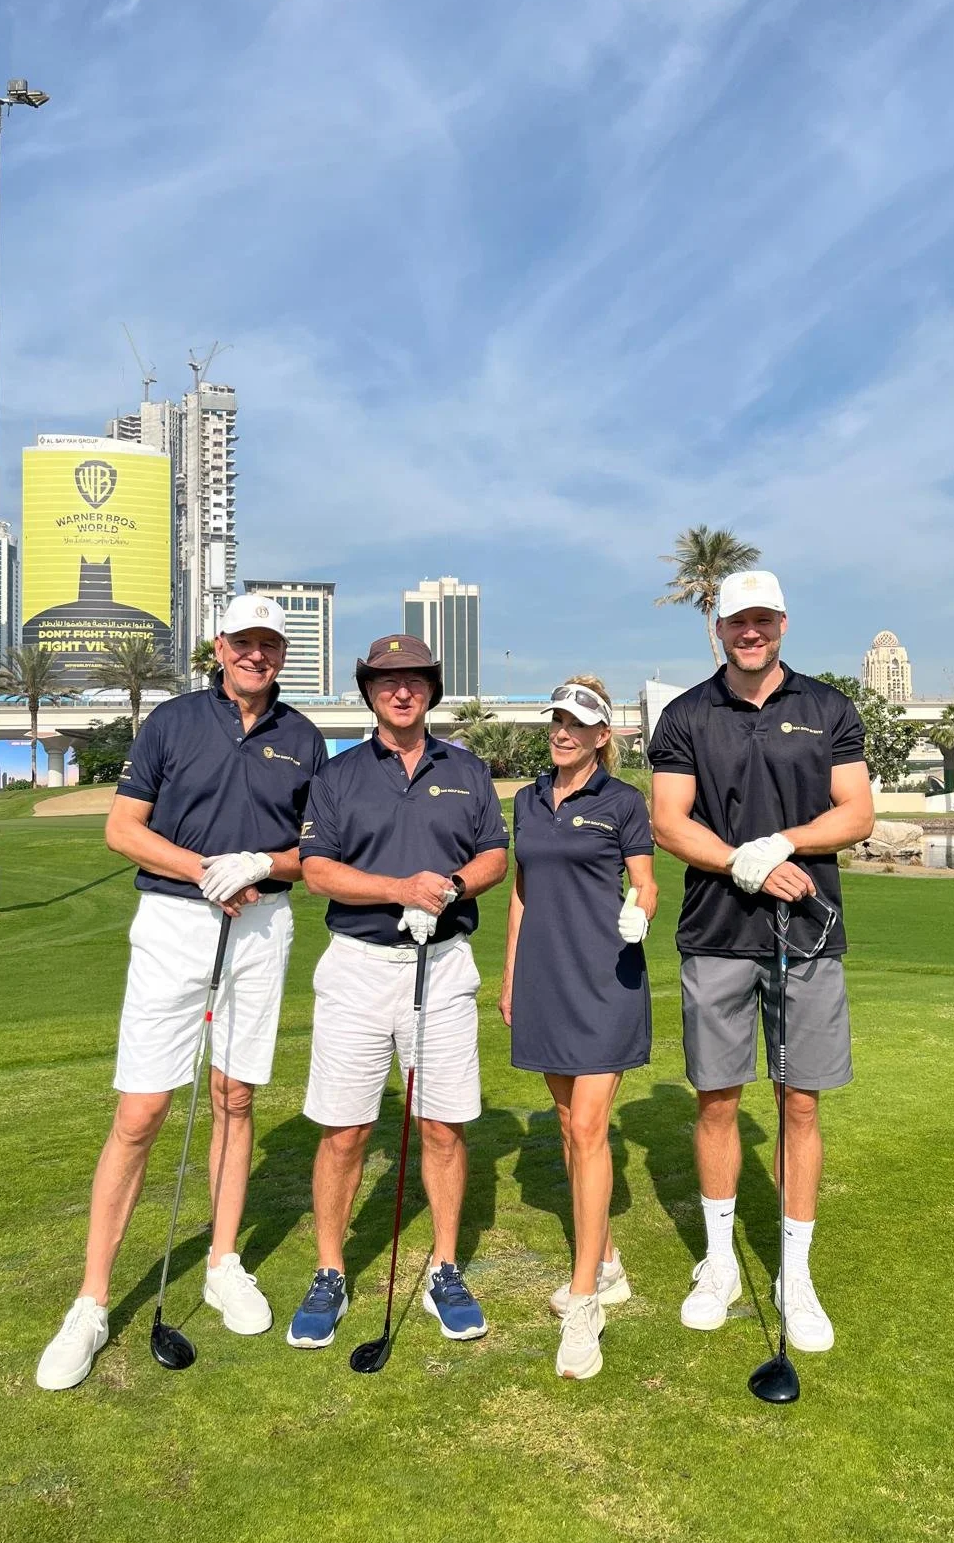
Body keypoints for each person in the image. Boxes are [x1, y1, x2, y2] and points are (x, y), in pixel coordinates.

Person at [36, 594, 325, 1390]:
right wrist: (202, 868)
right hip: (171, 921)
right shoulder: (171, 721)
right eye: (244, 642)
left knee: (234, 1097)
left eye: (270, 644)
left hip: (262, 927)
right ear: (219, 646)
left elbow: (319, 853)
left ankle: (223, 1262)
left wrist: (263, 865)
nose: (256, 655)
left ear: (281, 654)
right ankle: (91, 1302)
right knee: (142, 1109)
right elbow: (122, 829)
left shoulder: (302, 739)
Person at [648, 571, 873, 1353]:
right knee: (717, 1100)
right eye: (737, 621)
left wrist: (788, 843)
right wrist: (745, 864)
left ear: (782, 622)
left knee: (800, 1105)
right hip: (716, 932)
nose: (751, 633)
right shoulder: (685, 714)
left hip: (808, 931)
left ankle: (795, 1273)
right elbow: (669, 823)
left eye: (763, 620)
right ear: (719, 628)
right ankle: (718, 1264)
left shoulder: (827, 708)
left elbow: (857, 810)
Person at [289, 635, 509, 1350]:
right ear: (370, 692)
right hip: (358, 966)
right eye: (387, 681)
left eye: (414, 680)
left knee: (444, 1125)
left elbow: (494, 857)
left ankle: (445, 1265)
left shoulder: (467, 770)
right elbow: (318, 870)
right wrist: (399, 889)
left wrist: (449, 888)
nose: (401, 691)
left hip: (442, 964)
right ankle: (329, 1270)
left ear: (430, 690)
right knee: (346, 1128)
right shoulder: (340, 774)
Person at [500, 676, 657, 1381]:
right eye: (556, 720)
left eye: (577, 723)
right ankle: (612, 1262)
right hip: (544, 979)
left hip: (604, 982)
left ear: (603, 737)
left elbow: (646, 882)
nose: (562, 731)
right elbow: (523, 892)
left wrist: (641, 911)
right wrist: (509, 978)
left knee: (589, 1127)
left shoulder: (623, 802)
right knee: (568, 1129)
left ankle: (585, 1298)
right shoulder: (528, 800)